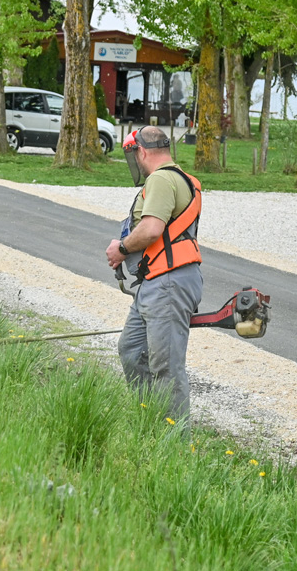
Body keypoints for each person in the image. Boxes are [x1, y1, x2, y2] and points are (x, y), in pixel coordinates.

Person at [106, 127, 203, 426]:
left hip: (168, 284)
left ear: (141, 151)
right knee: (132, 350)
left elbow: (150, 229)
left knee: (166, 368)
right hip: (157, 282)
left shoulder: (160, 178)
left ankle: (172, 442)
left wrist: (121, 248)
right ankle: (149, 422)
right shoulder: (180, 178)